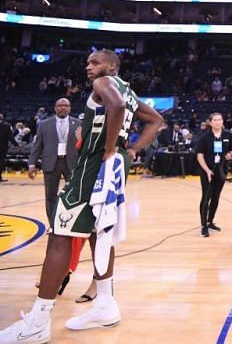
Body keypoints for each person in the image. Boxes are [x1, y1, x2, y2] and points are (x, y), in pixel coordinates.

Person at [0, 49, 163, 343]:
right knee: (97, 233)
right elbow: (156, 119)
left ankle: (38, 321)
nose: (89, 67)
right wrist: (132, 149)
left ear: (111, 66)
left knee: (60, 234)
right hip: (114, 166)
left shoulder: (104, 83)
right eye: (88, 62)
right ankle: (105, 304)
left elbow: (114, 108)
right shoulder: (128, 89)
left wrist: (110, 146)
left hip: (93, 165)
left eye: (95, 62)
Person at [28, 98, 81, 221]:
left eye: (66, 105)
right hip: (51, 162)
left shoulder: (78, 123)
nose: (63, 108)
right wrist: (32, 164)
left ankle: (71, 222)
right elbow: (37, 146)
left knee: (73, 194)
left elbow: (83, 146)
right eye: (60, 105)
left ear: (70, 108)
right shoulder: (44, 124)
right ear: (55, 108)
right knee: (50, 195)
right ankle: (52, 224)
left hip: (71, 163)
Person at [195, 112, 232, 237]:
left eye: (220, 119)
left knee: (216, 197)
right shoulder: (205, 137)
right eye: (215, 120)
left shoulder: (228, 135)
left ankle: (210, 221)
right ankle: (203, 225)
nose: (218, 122)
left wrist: (230, 154)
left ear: (222, 121)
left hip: (221, 170)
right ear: (210, 122)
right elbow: (199, 155)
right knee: (206, 197)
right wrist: (207, 170)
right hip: (208, 170)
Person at [0, 113, 12, 182]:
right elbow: (10, 138)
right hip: (2, 147)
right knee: (1, 162)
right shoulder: (6, 126)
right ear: (2, 119)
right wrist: (17, 145)